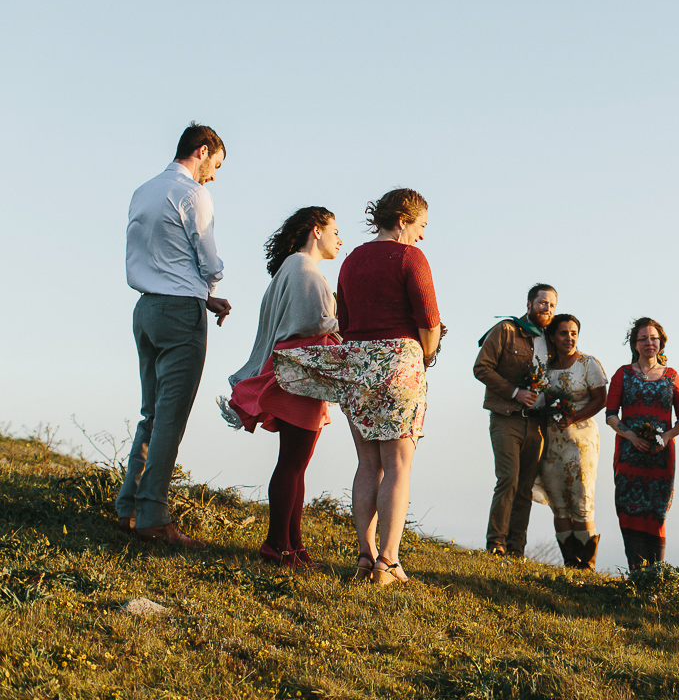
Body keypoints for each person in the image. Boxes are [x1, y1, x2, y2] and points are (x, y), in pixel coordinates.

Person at [274, 188, 442, 586]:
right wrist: (429, 354)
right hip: (400, 360)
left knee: (368, 464)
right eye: (420, 226)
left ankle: (365, 559)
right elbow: (429, 320)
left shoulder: (349, 261)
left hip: (358, 364)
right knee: (399, 465)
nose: (422, 236)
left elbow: (344, 321)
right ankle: (388, 562)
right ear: (403, 220)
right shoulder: (409, 257)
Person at [116, 122, 232, 547]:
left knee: (151, 413)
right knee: (171, 417)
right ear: (202, 151)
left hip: (145, 309)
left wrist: (202, 297)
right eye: (215, 164)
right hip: (179, 314)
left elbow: (161, 258)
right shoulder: (194, 194)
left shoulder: (142, 190)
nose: (214, 174)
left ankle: (129, 506)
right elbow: (207, 259)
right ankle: (153, 516)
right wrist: (210, 288)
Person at [219, 207, 342, 567]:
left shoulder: (291, 268)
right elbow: (311, 323)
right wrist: (347, 320)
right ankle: (277, 545)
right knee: (292, 464)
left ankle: (293, 546)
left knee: (294, 464)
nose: (339, 239)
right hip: (299, 373)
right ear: (316, 231)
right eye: (335, 230)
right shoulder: (305, 269)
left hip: (291, 371)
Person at [474, 284, 558, 557]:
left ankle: (516, 548)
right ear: (530, 304)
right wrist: (515, 392)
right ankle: (495, 543)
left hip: (537, 423)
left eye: (552, 305)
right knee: (508, 479)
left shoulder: (552, 339)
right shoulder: (506, 331)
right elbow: (481, 367)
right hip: (506, 417)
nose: (547, 309)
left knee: (525, 487)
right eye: (543, 303)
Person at [605, 317, 679, 572]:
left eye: (654, 338)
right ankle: (635, 572)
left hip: (660, 457)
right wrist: (630, 436)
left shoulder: (672, 376)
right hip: (629, 454)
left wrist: (666, 436)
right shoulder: (623, 374)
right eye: (643, 339)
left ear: (661, 343)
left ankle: (654, 575)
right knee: (628, 510)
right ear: (634, 344)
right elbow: (610, 414)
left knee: (656, 513)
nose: (649, 343)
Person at [533, 314, 607, 569]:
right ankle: (569, 561)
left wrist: (574, 416)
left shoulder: (588, 364)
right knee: (559, 501)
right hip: (552, 439)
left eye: (573, 332)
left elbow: (601, 399)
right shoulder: (545, 366)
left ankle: (587, 564)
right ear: (552, 337)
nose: (569, 337)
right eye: (563, 333)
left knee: (582, 497)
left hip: (582, 439)